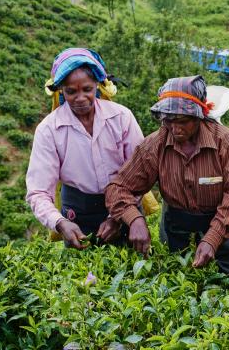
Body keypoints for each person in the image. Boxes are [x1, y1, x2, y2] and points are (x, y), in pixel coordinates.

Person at [105, 76, 229, 273]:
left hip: (224, 228)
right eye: (168, 121)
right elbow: (118, 188)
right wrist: (134, 219)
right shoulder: (155, 145)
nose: (175, 128)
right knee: (178, 280)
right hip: (177, 228)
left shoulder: (224, 141)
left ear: (199, 116)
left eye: (183, 121)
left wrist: (213, 238)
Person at [26, 48, 144, 249]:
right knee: (83, 277)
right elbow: (38, 192)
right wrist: (61, 223)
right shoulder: (49, 130)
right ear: (61, 90)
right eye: (71, 91)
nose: (80, 98)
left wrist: (117, 217)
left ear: (97, 86)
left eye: (87, 89)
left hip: (126, 209)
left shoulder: (121, 118)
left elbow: (140, 173)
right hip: (77, 215)